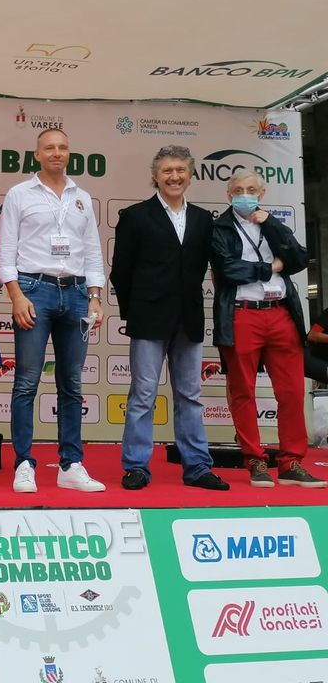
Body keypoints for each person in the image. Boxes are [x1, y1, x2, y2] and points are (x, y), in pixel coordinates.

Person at [110, 146, 229, 491]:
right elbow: (121, 272)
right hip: (148, 318)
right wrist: (134, 312)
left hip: (189, 319)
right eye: (167, 171)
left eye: (180, 170)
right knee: (143, 395)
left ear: (190, 175)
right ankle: (136, 467)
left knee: (190, 395)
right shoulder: (135, 216)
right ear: (155, 176)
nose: (174, 176)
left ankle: (197, 468)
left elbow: (212, 267)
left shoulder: (204, 219)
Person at [0, 128, 106, 493]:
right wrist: (15, 295)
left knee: (71, 383)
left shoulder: (82, 197)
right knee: (26, 382)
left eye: (62, 147)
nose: (56, 153)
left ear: (68, 153)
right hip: (33, 291)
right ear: (37, 154)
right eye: (49, 148)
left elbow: (92, 250)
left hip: (76, 294)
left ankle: (70, 464)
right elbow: (5, 251)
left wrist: (94, 296)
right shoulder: (19, 194)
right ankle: (23, 464)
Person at [211, 169, 326, 488]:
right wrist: (272, 267)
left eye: (251, 190)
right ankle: (255, 461)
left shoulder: (272, 223)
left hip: (280, 314)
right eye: (238, 190)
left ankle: (292, 462)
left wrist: (270, 223)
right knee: (242, 391)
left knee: (291, 391)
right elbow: (229, 269)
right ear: (229, 195)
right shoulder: (220, 227)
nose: (244, 195)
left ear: (261, 194)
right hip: (241, 313)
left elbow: (299, 258)